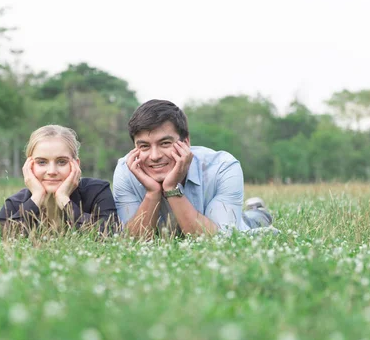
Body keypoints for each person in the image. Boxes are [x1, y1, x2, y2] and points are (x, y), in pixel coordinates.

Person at [113, 99, 276, 238]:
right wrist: (152, 193)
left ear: (186, 142)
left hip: (232, 222)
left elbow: (219, 239)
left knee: (249, 221)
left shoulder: (223, 167)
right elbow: (131, 240)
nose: (154, 156)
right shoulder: (126, 170)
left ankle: (258, 212)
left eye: (165, 143)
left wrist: (171, 188)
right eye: (144, 146)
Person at [0, 125, 119, 237]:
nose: (52, 171)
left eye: (61, 162)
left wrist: (64, 200)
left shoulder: (97, 191)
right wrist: (36, 198)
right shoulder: (15, 203)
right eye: (41, 162)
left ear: (76, 165)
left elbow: (109, 234)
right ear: (29, 166)